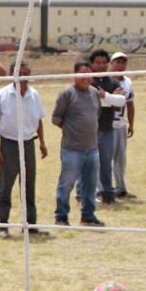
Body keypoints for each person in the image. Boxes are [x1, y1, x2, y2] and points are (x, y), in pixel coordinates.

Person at [0, 62, 48, 238]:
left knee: (29, 185)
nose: (22, 78)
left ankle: (30, 224)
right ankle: (2, 225)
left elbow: (39, 120)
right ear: (12, 74)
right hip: (9, 144)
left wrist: (42, 142)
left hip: (28, 143)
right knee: (6, 186)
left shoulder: (34, 94)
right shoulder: (1, 95)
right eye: (19, 73)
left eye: (25, 74)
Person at [52, 60, 104, 226]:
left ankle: (87, 216)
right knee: (67, 183)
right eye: (83, 73)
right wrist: (71, 130)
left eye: (89, 74)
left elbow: (97, 114)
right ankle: (61, 216)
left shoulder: (95, 93)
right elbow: (56, 119)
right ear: (75, 75)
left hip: (92, 148)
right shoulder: (67, 93)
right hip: (72, 149)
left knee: (90, 184)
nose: (86, 78)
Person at [88, 49, 124, 205]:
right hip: (89, 129)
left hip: (107, 128)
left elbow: (121, 101)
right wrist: (110, 98)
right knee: (88, 162)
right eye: (97, 62)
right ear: (92, 64)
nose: (101, 65)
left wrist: (105, 95)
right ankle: (86, 193)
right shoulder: (87, 79)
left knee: (106, 162)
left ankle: (107, 193)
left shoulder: (113, 81)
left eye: (104, 62)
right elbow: (92, 101)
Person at [110, 51, 136, 198]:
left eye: (123, 62)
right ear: (111, 64)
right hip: (108, 125)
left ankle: (120, 188)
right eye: (117, 62)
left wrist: (131, 124)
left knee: (121, 158)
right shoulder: (105, 79)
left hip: (121, 124)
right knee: (106, 159)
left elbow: (130, 104)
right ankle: (104, 188)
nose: (120, 65)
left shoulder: (127, 82)